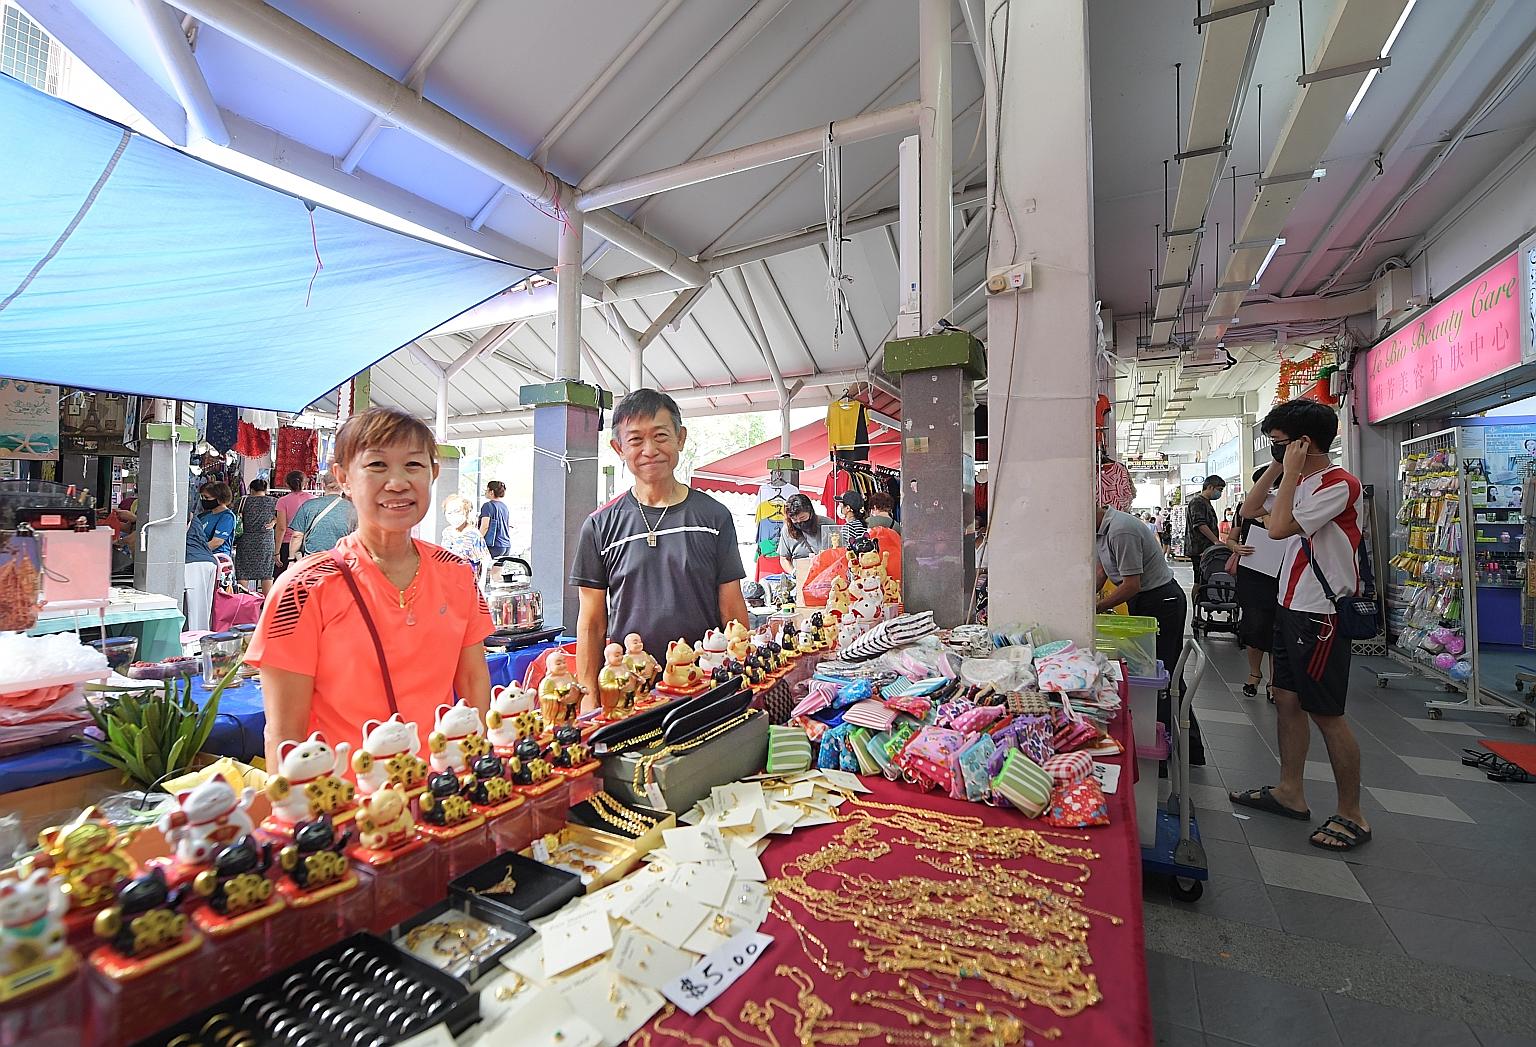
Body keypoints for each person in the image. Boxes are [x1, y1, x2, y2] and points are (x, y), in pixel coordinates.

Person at [247, 408, 493, 769]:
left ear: (433, 474)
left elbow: (474, 686)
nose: (397, 482)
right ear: (343, 477)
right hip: (343, 807)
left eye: (413, 466)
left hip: (440, 797)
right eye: (377, 465)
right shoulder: (301, 587)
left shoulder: (457, 574)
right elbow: (285, 735)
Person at [1230, 399, 1370, 852]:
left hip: (1321, 614)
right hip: (1289, 604)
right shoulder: (1298, 480)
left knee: (1327, 713)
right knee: (1285, 699)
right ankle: (1291, 790)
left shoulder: (1338, 485)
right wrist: (1276, 470)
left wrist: (1287, 477)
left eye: (1279, 444)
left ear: (1304, 443)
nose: (1275, 450)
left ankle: (1353, 813)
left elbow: (1277, 528)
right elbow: (1253, 512)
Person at [571, 389, 749, 703]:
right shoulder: (599, 525)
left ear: (680, 438)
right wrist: (588, 696)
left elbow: (731, 605)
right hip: (630, 687)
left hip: (704, 681)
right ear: (618, 447)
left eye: (661, 436)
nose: (650, 450)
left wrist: (743, 672)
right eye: (636, 440)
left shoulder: (714, 517)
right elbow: (591, 621)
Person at [1094, 501, 1205, 765]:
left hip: (1161, 602)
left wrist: (1094, 607)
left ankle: (1181, 748)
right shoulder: (1100, 531)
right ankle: (1173, 743)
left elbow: (1132, 585)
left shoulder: (1121, 530)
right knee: (1150, 673)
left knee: (1162, 676)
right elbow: (1101, 571)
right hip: (1145, 602)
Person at [1228, 467, 1282, 701]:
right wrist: (1235, 547)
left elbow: (1275, 530)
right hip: (1252, 573)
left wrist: (1270, 508)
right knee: (1254, 625)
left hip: (1279, 575)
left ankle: (1275, 681)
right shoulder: (1244, 511)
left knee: (1277, 627)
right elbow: (1231, 538)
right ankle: (1254, 673)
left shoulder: (1284, 507)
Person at [287, 473, 355, 556]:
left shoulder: (308, 505)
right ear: (342, 485)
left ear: (323, 484)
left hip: (312, 560)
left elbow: (297, 536)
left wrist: (291, 559)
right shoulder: (352, 509)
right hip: (341, 560)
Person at [234, 478, 279, 594]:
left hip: (246, 540)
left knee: (243, 571)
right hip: (265, 541)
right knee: (266, 574)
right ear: (265, 489)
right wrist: (274, 522)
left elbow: (234, 517)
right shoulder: (274, 501)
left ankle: (243, 600)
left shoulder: (242, 501)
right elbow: (281, 519)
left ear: (251, 489)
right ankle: (266, 604)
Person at [441, 494, 492, 579]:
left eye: (457, 511)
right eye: (449, 513)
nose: (453, 516)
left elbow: (485, 561)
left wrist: (482, 584)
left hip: (467, 581)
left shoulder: (474, 535)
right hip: (448, 579)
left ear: (466, 512)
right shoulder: (447, 532)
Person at [273, 470, 313, 574]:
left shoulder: (282, 501)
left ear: (287, 484)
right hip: (307, 544)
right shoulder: (313, 499)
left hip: (287, 544)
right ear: (305, 483)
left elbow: (281, 528)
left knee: (284, 578)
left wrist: (276, 552)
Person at [1184, 475, 1224, 578]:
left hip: (1206, 548)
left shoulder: (1206, 502)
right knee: (1200, 580)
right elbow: (1200, 524)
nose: (1220, 493)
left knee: (1206, 579)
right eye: (1219, 490)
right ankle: (1197, 594)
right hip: (1200, 549)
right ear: (1210, 487)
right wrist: (1216, 541)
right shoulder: (1197, 502)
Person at [779, 493, 829, 575]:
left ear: (810, 513)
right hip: (800, 575)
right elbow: (784, 559)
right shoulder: (787, 529)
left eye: (802, 517)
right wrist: (793, 572)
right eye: (794, 519)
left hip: (825, 575)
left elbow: (838, 553)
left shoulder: (827, 524)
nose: (799, 521)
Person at [184, 516, 218, 632]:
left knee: (192, 610)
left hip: (192, 563)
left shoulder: (177, 515)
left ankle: (192, 642)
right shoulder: (194, 518)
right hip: (208, 561)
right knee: (203, 610)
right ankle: (201, 641)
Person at [196, 483, 237, 565]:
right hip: (203, 559)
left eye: (207, 497)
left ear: (219, 499)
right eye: (202, 497)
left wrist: (197, 552)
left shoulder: (227, 517)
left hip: (217, 561)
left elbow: (217, 542)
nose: (204, 500)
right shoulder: (204, 516)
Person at [479, 481, 512, 558]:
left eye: (487, 490)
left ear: (491, 492)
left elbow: (485, 527)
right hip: (506, 546)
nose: (485, 492)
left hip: (493, 545)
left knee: (484, 569)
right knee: (498, 570)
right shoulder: (504, 506)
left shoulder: (487, 506)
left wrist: (477, 540)